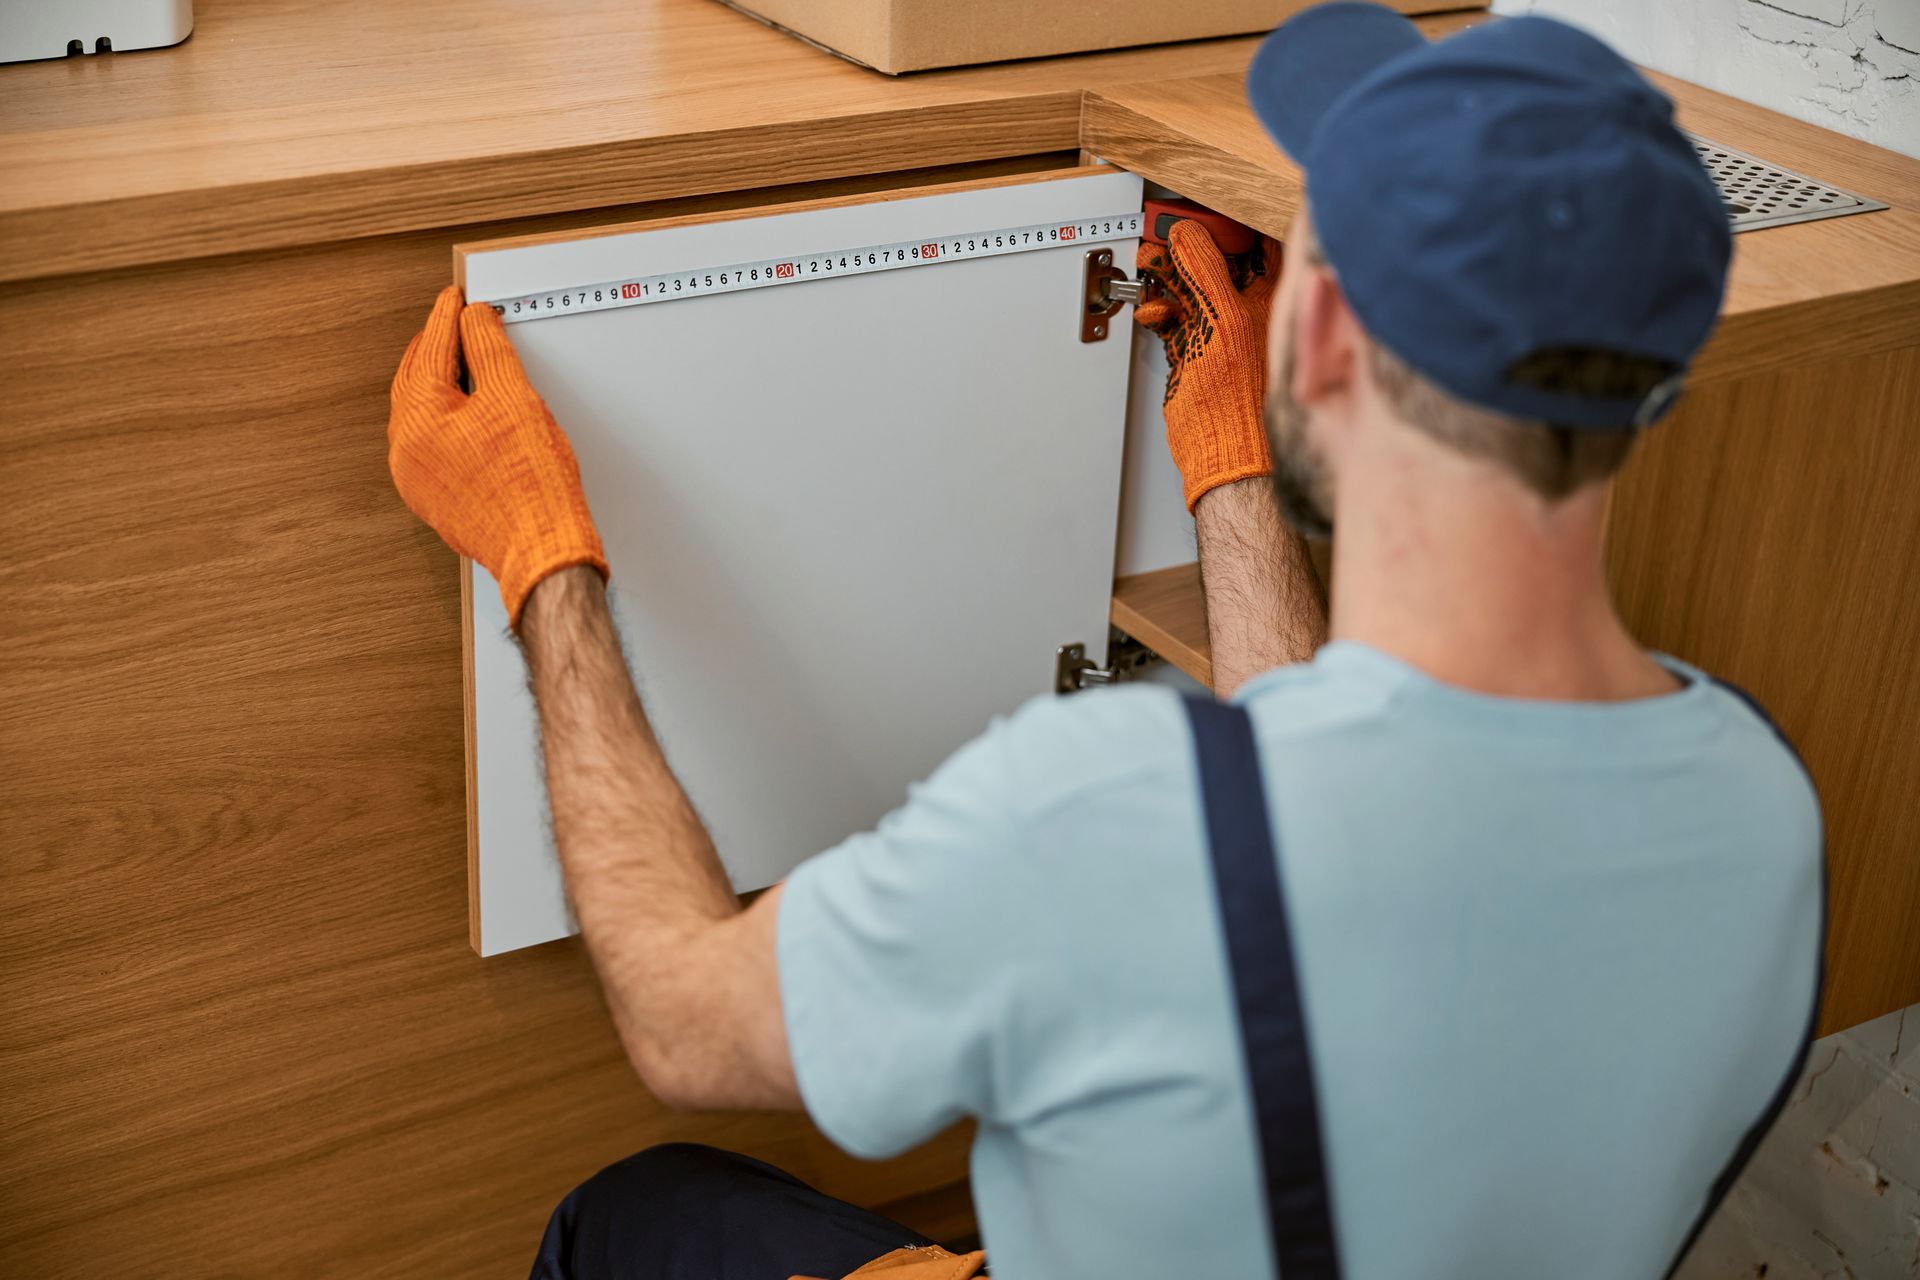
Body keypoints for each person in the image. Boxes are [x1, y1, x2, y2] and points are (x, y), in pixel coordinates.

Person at [385, 5, 1824, 1278]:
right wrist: (1229, 471)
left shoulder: (1105, 818)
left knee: (625, 1220)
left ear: (1317, 341)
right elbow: (1322, 820)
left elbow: (689, 1025)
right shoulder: (1764, 811)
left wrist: (543, 562)